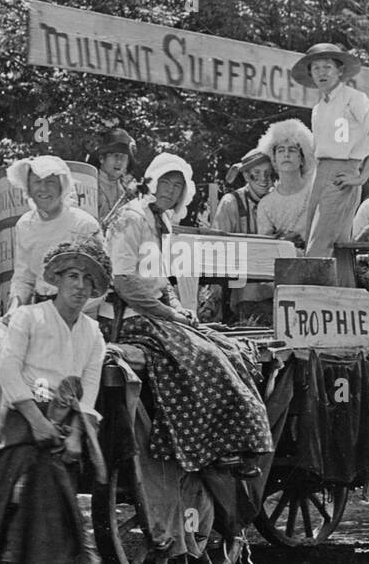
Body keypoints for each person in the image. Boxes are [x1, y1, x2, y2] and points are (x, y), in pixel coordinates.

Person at [102, 152, 273, 481]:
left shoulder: (160, 221)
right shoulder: (132, 218)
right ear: (151, 182)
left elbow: (159, 279)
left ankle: (237, 444)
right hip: (128, 319)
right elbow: (124, 283)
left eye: (177, 185)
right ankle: (212, 444)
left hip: (154, 313)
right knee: (204, 356)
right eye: (165, 182)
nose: (169, 189)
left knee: (227, 346)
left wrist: (178, 308)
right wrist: (170, 314)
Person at [0, 237, 110, 564]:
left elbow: (88, 392)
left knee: (52, 497)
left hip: (62, 432)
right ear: (56, 280)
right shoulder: (29, 319)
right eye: (72, 276)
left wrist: (72, 438)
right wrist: (35, 421)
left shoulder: (93, 334)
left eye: (88, 279)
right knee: (22, 496)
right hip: (20, 427)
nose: (79, 286)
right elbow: (8, 371)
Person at [292, 43, 369, 258]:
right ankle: (338, 288)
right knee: (324, 239)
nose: (322, 73)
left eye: (327, 67)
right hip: (321, 174)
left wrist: (360, 175)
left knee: (321, 242)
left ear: (340, 70)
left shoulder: (355, 98)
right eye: (316, 69)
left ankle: (314, 289)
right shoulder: (318, 109)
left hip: (342, 174)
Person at [6, 154, 100, 310]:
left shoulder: (84, 225)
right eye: (36, 182)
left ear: (62, 187)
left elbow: (99, 280)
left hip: (79, 312)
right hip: (41, 310)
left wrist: (67, 311)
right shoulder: (25, 225)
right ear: (28, 188)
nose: (43, 188)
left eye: (50, 182)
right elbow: (24, 277)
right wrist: (14, 309)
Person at [212, 148, 275, 324]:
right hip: (239, 286)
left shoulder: (277, 201)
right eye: (257, 173)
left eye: (268, 173)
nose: (264, 179)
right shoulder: (231, 203)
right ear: (246, 176)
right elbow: (217, 248)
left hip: (273, 284)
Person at [256, 118, 315, 249]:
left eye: (292, 150)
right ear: (274, 160)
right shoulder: (266, 204)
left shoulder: (316, 193)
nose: (286, 155)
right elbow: (264, 247)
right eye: (281, 150)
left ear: (302, 159)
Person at [91, 127, 136, 224]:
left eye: (123, 157)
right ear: (102, 158)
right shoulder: (88, 185)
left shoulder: (128, 192)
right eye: (115, 155)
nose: (119, 162)